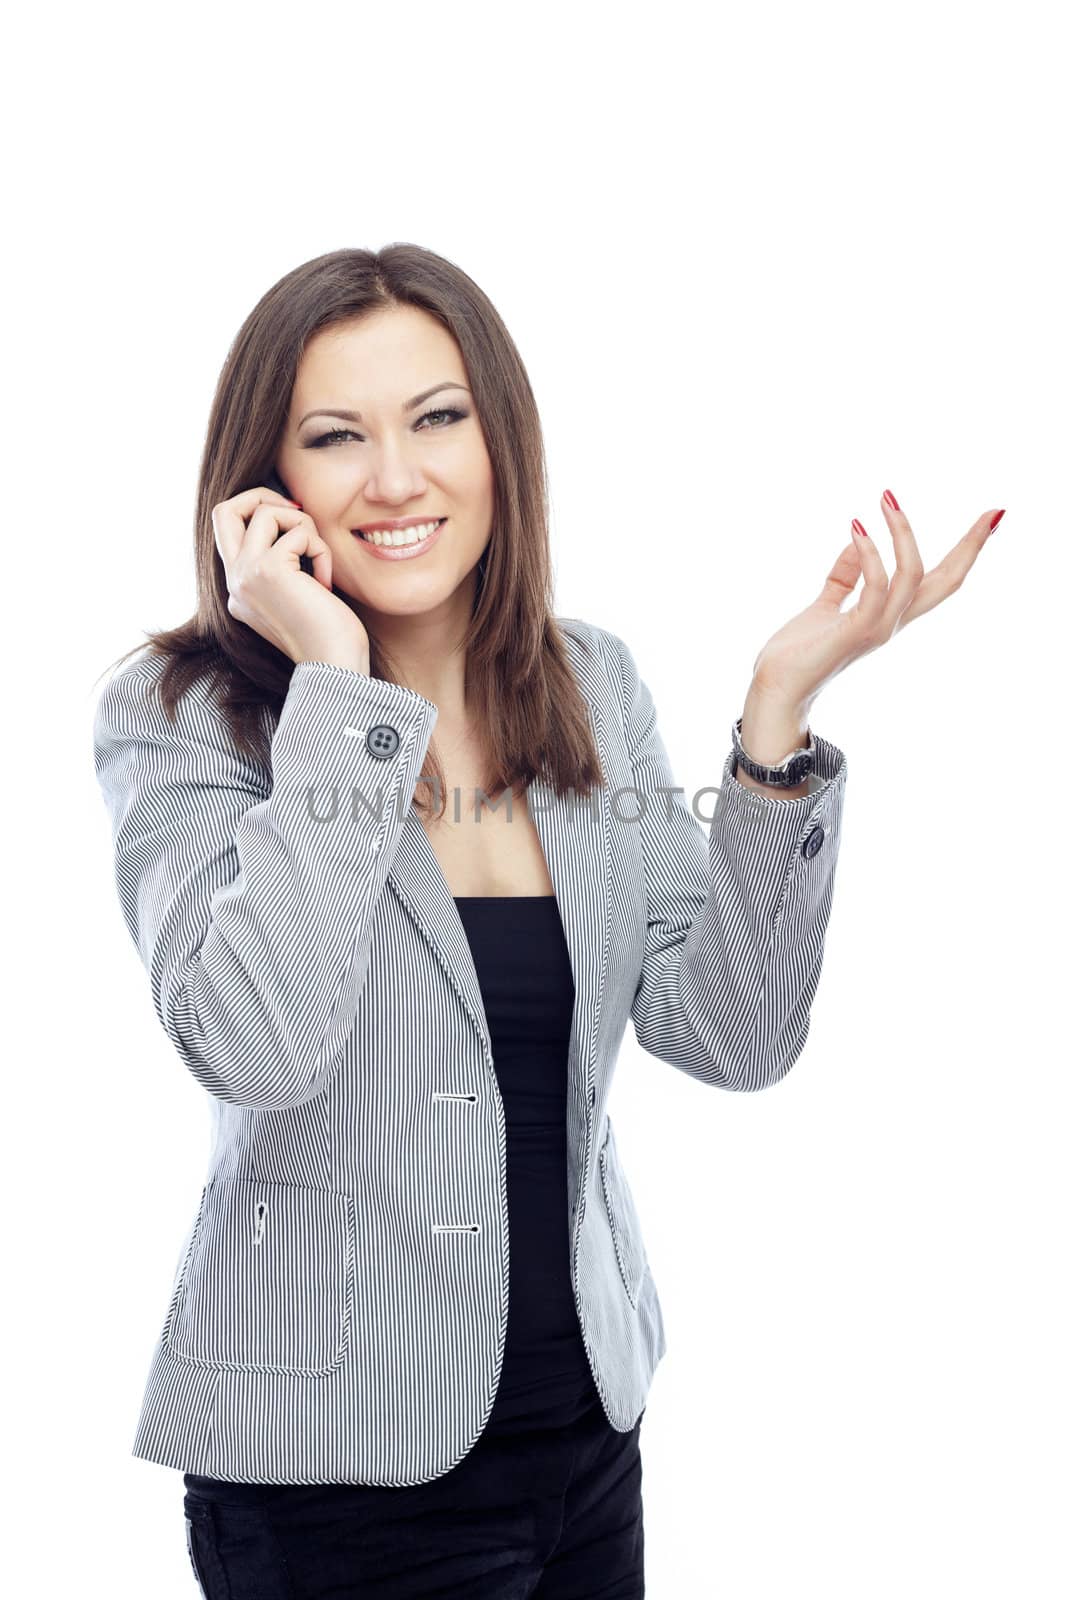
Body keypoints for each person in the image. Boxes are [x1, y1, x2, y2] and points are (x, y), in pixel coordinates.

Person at [91, 243, 1003, 1599]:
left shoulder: (587, 683)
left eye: (438, 419)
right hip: (334, 1486)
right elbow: (257, 1045)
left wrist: (774, 721)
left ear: (499, 443)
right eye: (337, 437)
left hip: (585, 1449)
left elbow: (735, 1031)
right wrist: (338, 685)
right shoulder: (180, 717)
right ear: (264, 487)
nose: (397, 479)